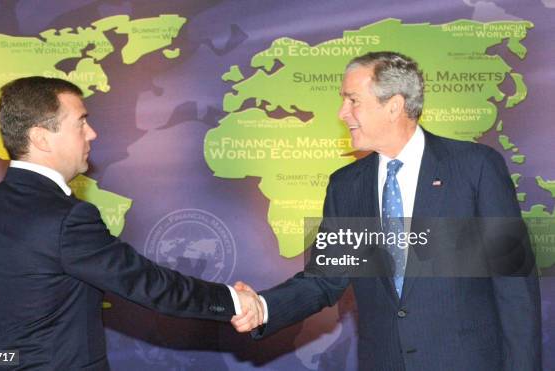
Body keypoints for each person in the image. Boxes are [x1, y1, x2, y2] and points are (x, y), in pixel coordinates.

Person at [232, 51, 542, 371]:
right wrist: (264, 307)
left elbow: (515, 288)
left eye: (353, 101)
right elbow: (324, 278)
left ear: (393, 106)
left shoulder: (475, 168)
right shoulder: (346, 185)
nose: (342, 113)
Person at [0, 76, 263, 370]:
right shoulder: (67, 219)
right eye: (81, 123)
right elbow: (149, 285)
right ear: (41, 138)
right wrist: (234, 301)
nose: (92, 133)